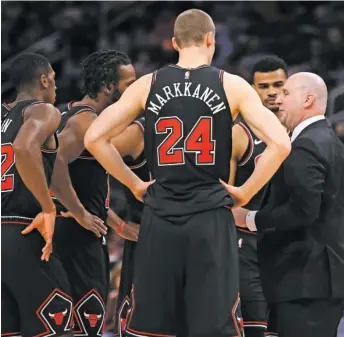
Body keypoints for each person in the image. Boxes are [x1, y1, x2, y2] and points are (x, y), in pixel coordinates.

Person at [84, 9, 291, 337]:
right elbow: (280, 143)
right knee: (212, 326)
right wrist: (246, 191)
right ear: (211, 39)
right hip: (209, 217)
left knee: (155, 327)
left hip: (160, 218)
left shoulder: (147, 85)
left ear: (174, 43)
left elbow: (93, 138)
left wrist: (134, 183)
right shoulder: (231, 85)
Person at [234, 72, 344, 337]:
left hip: (306, 280)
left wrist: (250, 219)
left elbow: (303, 210)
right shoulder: (330, 141)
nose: (277, 100)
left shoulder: (307, 144)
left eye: (286, 93)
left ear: (308, 99)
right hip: (315, 279)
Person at [50, 49, 136, 337]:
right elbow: (50, 164)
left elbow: (80, 183)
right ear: (109, 87)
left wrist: (116, 223)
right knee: (85, 326)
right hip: (75, 237)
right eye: (129, 83)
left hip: (73, 229)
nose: (134, 90)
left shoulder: (71, 112)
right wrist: (79, 213)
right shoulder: (85, 121)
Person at [1, 52, 73, 337]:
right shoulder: (43, 110)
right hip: (25, 231)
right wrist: (48, 208)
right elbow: (23, 146)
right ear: (44, 80)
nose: (55, 87)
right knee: (57, 330)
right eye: (53, 80)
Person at [230, 55, 288, 337]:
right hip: (248, 248)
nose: (272, 92)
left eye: (278, 84)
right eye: (263, 86)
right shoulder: (239, 134)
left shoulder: (302, 133)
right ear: (252, 91)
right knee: (254, 330)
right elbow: (224, 197)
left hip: (289, 246)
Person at [109, 116, 149, 337]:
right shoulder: (138, 132)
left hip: (194, 240)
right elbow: (81, 162)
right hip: (146, 240)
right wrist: (119, 224)